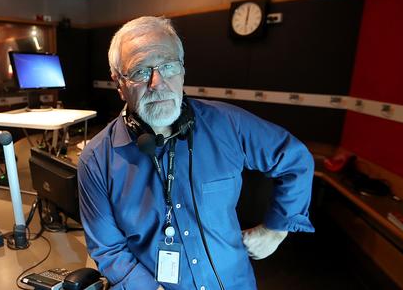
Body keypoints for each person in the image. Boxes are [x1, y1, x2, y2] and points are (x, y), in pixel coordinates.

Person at [77, 16, 315, 289]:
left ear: (182, 70)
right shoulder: (96, 160)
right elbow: (109, 249)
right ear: (119, 83)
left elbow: (295, 159)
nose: (157, 82)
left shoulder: (228, 124)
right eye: (141, 71)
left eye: (168, 66)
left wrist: (275, 229)